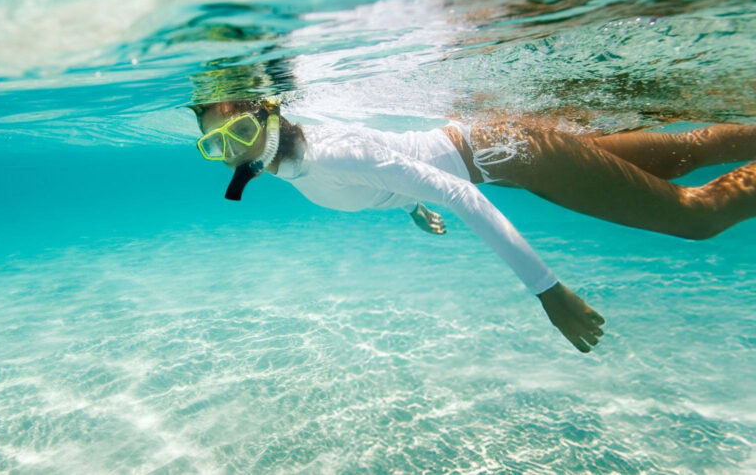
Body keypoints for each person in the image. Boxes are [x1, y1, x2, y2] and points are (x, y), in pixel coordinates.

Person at [190, 99, 756, 353]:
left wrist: (548, 292)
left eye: (237, 133)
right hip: (505, 149)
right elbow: (399, 163)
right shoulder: (300, 162)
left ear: (269, 110)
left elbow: (454, 188)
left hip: (515, 156)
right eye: (213, 147)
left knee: (696, 216)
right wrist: (411, 205)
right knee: (681, 152)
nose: (231, 156)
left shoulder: (328, 155)